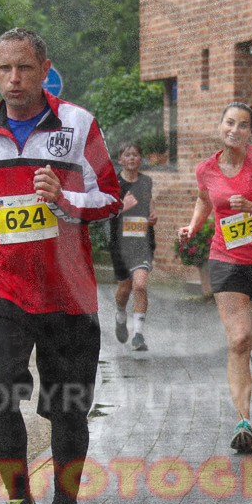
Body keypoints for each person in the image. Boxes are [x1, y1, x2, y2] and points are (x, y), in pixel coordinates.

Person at [0, 28, 122, 504]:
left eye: (24, 68)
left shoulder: (77, 124)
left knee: (68, 409)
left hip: (67, 292)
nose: (14, 80)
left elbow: (111, 196)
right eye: (4, 69)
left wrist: (65, 197)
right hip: (1, 285)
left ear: (45, 70)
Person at [177, 101, 252, 454]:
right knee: (239, 339)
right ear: (221, 126)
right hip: (225, 261)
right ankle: (243, 421)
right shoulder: (206, 169)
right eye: (229, 123)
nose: (235, 130)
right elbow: (205, 200)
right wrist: (193, 225)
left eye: (243, 125)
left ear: (250, 131)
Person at [109, 142, 158, 351]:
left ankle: (138, 334)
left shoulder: (146, 181)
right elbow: (106, 211)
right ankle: (120, 314)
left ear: (140, 159)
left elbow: (149, 202)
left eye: (135, 155)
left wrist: (153, 215)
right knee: (125, 288)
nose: (131, 158)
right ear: (120, 159)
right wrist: (122, 207)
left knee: (140, 285)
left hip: (143, 242)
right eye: (127, 155)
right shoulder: (114, 183)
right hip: (120, 244)